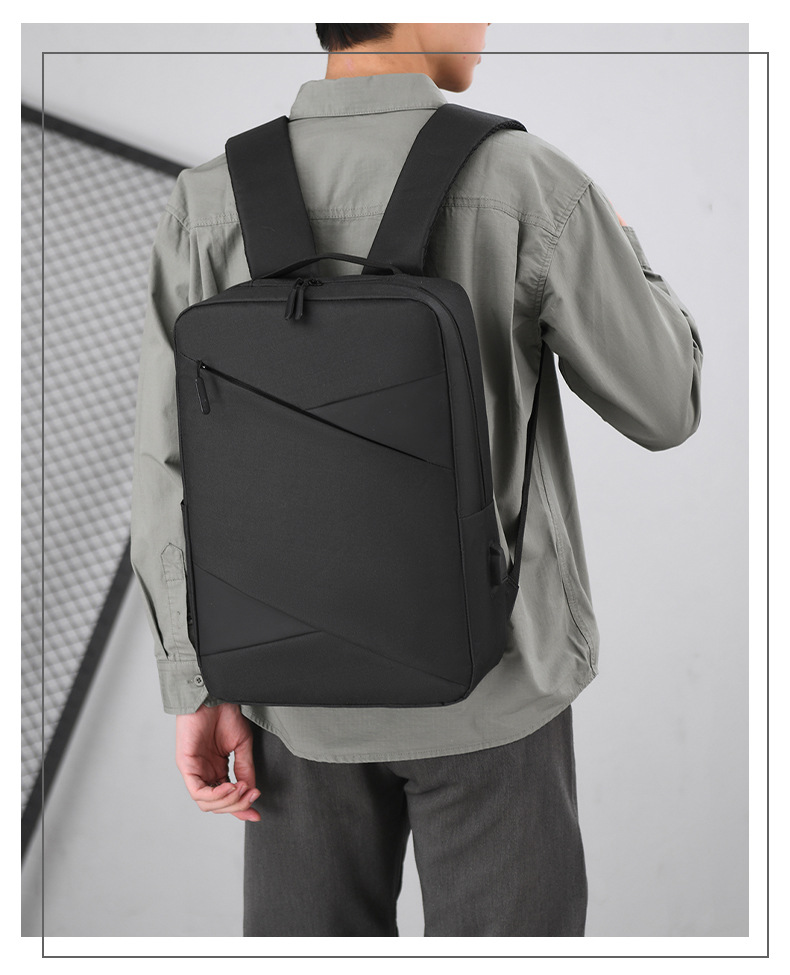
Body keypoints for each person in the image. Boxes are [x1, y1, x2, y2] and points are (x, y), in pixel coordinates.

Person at [130, 23, 703, 937]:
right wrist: (627, 255)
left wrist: (197, 684)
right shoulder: (527, 181)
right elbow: (665, 404)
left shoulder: (211, 198)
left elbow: (166, 462)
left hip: (290, 692)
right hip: (497, 692)